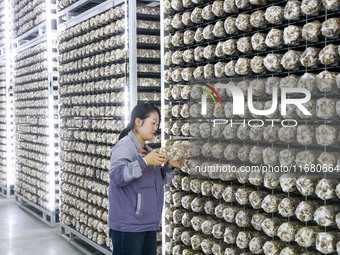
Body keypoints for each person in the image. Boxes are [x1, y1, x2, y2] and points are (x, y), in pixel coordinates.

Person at [108, 102, 184, 255]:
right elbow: (117, 176)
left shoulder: (147, 150)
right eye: (153, 122)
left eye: (158, 124)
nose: (156, 128)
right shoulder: (125, 146)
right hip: (129, 226)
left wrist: (170, 167)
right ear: (138, 121)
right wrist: (144, 162)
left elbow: (157, 182)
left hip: (147, 223)